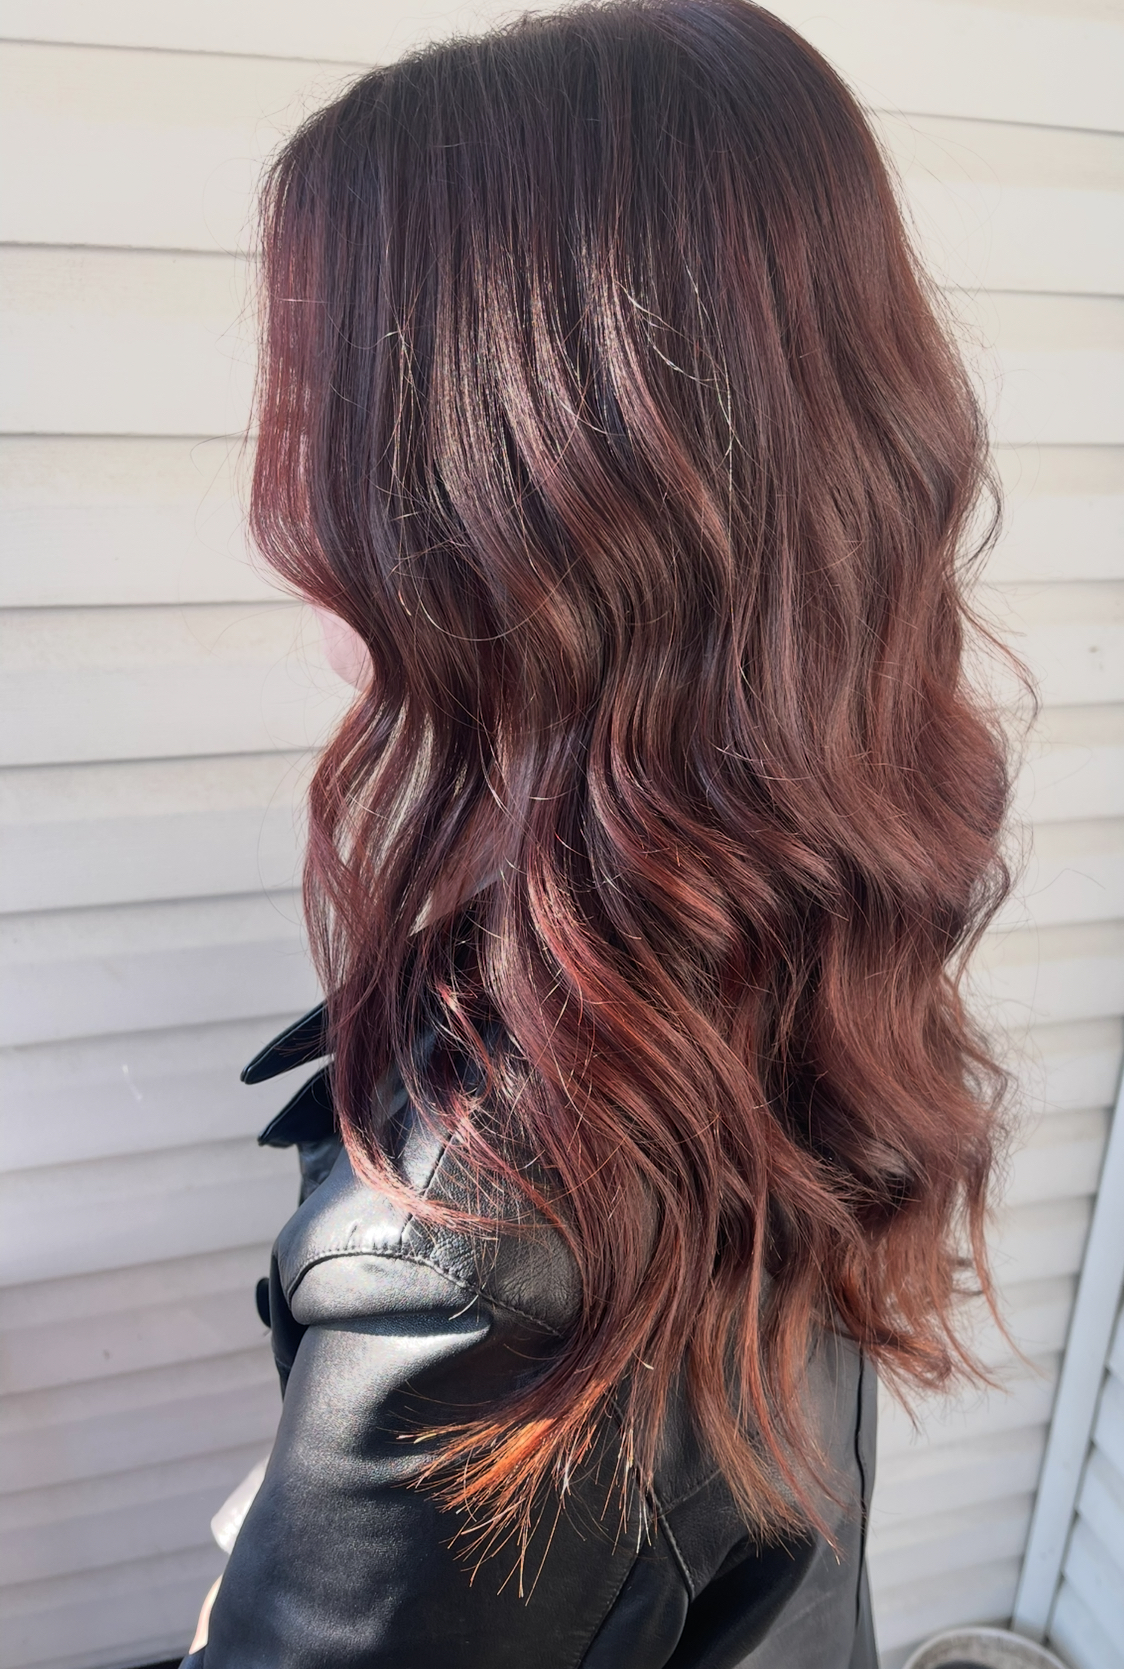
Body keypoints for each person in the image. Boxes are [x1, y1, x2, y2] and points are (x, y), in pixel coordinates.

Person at [180, 1, 1018, 1662]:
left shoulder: (476, 1263)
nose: (283, 504)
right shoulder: (778, 922)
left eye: (329, 401)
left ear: (505, 496)